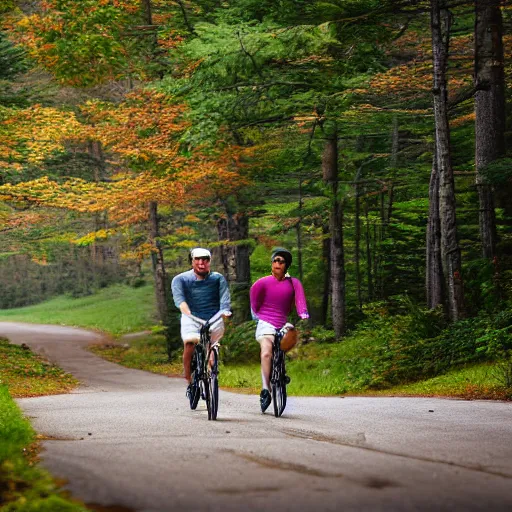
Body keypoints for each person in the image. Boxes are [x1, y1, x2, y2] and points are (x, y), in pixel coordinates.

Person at [250, 247, 309, 413]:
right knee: (267, 352)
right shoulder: (262, 282)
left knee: (288, 337)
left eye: (281, 261)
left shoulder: (293, 283)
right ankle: (265, 389)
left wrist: (303, 313)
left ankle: (281, 369)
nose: (277, 263)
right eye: (275, 260)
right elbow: (254, 301)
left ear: (286, 265)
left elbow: (300, 300)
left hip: (282, 322)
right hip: (265, 322)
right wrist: (258, 315)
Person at [171, 248, 231, 398]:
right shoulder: (180, 279)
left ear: (209, 261)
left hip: (213, 318)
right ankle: (189, 379)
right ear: (192, 261)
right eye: (197, 259)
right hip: (191, 317)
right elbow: (180, 300)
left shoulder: (218, 279)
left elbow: (224, 301)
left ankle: (212, 373)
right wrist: (186, 310)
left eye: (205, 259)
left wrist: (225, 312)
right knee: (190, 342)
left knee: (213, 346)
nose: (201, 263)